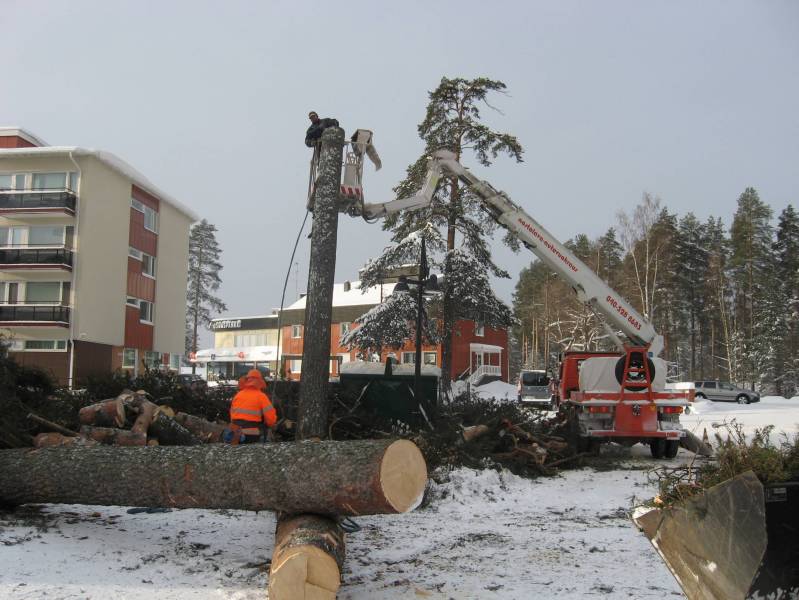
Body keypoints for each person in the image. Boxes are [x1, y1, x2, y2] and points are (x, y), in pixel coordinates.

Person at [228, 369, 277, 443]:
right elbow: (270, 419)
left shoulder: (238, 395)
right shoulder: (261, 396)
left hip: (235, 433)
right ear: (259, 382)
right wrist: (272, 425)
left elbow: (232, 415)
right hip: (251, 434)